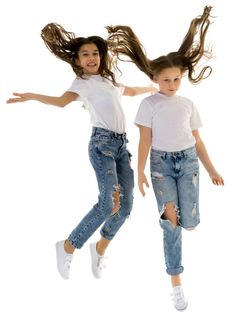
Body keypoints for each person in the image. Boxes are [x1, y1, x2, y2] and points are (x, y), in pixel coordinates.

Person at [6, 23, 156, 280]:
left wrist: (152, 88)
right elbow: (62, 102)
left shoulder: (107, 80)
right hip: (102, 146)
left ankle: (99, 249)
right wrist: (32, 96)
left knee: (126, 207)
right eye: (85, 54)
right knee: (108, 203)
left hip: (122, 147)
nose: (91, 58)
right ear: (77, 60)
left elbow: (129, 91)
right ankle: (67, 246)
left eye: (95, 53)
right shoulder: (82, 83)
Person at [106, 6, 224, 311]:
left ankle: (188, 219)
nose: (172, 84)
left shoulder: (187, 104)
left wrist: (211, 169)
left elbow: (198, 140)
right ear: (154, 78)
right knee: (170, 225)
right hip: (160, 166)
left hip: (188, 164)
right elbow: (144, 139)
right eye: (167, 80)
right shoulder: (149, 105)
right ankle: (176, 283)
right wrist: (141, 171)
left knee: (190, 221)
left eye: (177, 79)